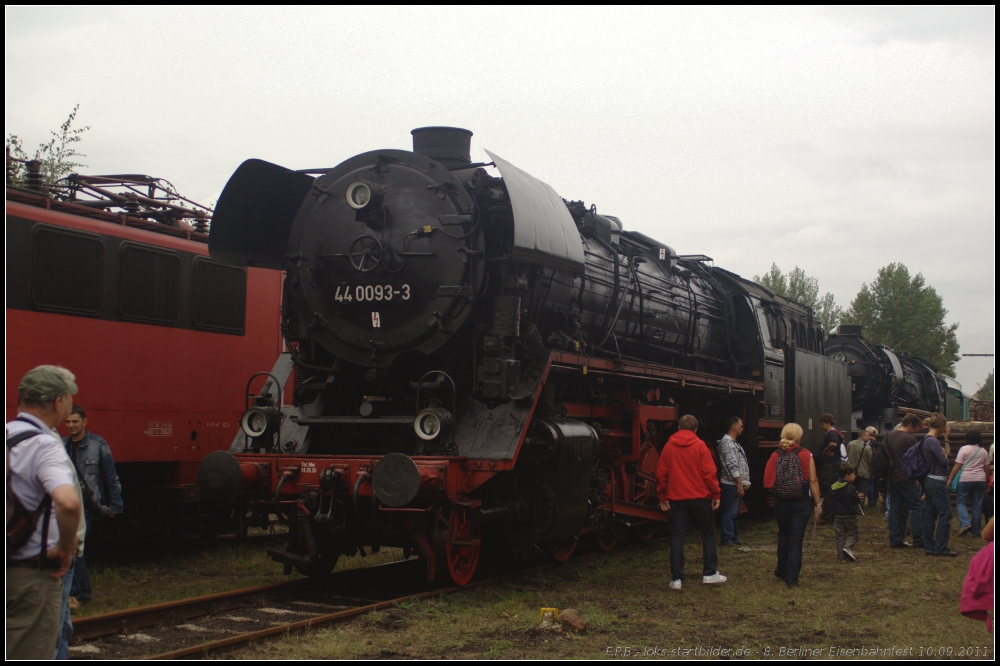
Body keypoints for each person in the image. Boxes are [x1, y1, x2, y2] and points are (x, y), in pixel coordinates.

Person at [6, 366, 83, 659]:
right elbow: (67, 502)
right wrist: (66, 549)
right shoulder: (45, 445)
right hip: (30, 576)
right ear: (57, 403)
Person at [656, 415, 726, 590]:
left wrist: (663, 497)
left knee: (677, 536)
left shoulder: (668, 447)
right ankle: (710, 573)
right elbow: (709, 473)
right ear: (695, 429)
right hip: (700, 497)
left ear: (678, 428)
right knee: (708, 533)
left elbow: (661, 474)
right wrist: (716, 494)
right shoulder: (700, 446)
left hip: (677, 498)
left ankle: (677, 579)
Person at [64, 405, 124, 607]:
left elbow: (110, 476)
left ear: (84, 422)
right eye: (68, 422)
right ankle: (83, 594)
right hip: (68, 505)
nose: (71, 425)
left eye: (75, 421)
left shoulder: (98, 444)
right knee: (74, 549)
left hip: (89, 506)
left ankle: (77, 595)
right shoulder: (62, 445)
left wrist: (116, 505)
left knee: (76, 547)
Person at [764, 423, 822, 588]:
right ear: (799, 437)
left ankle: (781, 570)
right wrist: (817, 503)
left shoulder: (775, 455)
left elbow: (768, 482)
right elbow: (813, 480)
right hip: (801, 501)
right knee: (796, 540)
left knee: (783, 534)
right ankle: (792, 579)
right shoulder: (806, 455)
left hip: (780, 501)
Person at [884, 414, 925, 549]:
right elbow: (918, 459)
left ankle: (895, 538)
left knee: (896, 509)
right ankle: (918, 539)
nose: (915, 432)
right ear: (910, 426)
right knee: (916, 507)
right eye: (915, 429)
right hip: (907, 478)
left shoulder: (889, 436)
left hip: (892, 476)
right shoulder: (910, 439)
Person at [919, 413, 956, 557]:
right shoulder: (932, 441)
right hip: (936, 480)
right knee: (946, 514)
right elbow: (944, 461)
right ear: (941, 426)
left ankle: (929, 546)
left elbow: (945, 454)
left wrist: (946, 439)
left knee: (930, 514)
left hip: (929, 480)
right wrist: (944, 456)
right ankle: (940, 547)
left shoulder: (927, 440)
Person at [949, 430, 991, 538]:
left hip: (965, 479)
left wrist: (950, 479)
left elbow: (958, 465)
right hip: (980, 479)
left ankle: (965, 523)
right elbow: (986, 468)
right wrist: (986, 481)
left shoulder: (964, 449)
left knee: (961, 502)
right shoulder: (983, 451)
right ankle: (976, 531)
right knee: (977, 505)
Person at [717, 416, 750, 546]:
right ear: (734, 427)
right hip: (731, 483)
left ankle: (733, 538)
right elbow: (731, 464)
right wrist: (739, 482)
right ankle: (727, 539)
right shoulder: (728, 444)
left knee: (734, 512)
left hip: (734, 482)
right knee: (730, 512)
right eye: (740, 425)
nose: (742, 428)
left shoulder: (732, 443)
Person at [816, 413, 846, 523]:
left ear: (828, 423)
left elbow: (834, 443)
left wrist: (826, 450)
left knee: (827, 490)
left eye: (822, 424)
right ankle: (832, 515)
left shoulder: (831, 434)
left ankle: (827, 517)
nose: (821, 426)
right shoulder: (837, 432)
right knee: (832, 489)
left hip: (829, 466)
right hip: (834, 465)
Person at [831, 463, 864, 562]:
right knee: (854, 534)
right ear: (847, 475)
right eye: (853, 474)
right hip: (849, 515)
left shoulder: (833, 487)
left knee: (840, 536)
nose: (855, 476)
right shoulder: (850, 487)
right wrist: (858, 497)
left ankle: (841, 558)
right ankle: (848, 547)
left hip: (837, 516)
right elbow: (855, 501)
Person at [847, 427, 874, 509]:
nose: (869, 437)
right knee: (862, 490)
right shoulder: (867, 447)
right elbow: (870, 460)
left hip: (851, 472)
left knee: (852, 490)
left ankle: (851, 505)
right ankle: (859, 508)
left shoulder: (850, 444)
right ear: (863, 436)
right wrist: (872, 471)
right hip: (863, 472)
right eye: (868, 435)